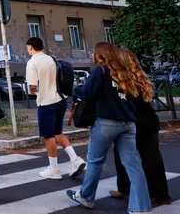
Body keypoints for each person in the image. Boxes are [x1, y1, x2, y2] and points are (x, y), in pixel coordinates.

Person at [66, 43, 152, 213]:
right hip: (128, 123)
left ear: (99, 55)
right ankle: (140, 207)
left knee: (95, 161)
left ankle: (86, 197)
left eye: (94, 53)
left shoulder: (101, 70)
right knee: (133, 165)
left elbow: (88, 93)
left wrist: (79, 88)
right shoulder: (127, 71)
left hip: (106, 122)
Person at [109, 49, 171, 206]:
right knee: (151, 157)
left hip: (135, 121)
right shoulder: (140, 76)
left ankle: (127, 188)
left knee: (124, 155)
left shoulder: (122, 78)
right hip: (150, 119)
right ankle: (160, 194)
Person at [26, 37, 86, 179]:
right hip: (60, 100)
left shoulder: (32, 62)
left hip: (46, 103)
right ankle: (75, 159)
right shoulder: (51, 59)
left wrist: (33, 91)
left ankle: (54, 169)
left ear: (31, 47)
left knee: (48, 136)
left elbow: (32, 87)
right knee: (58, 132)